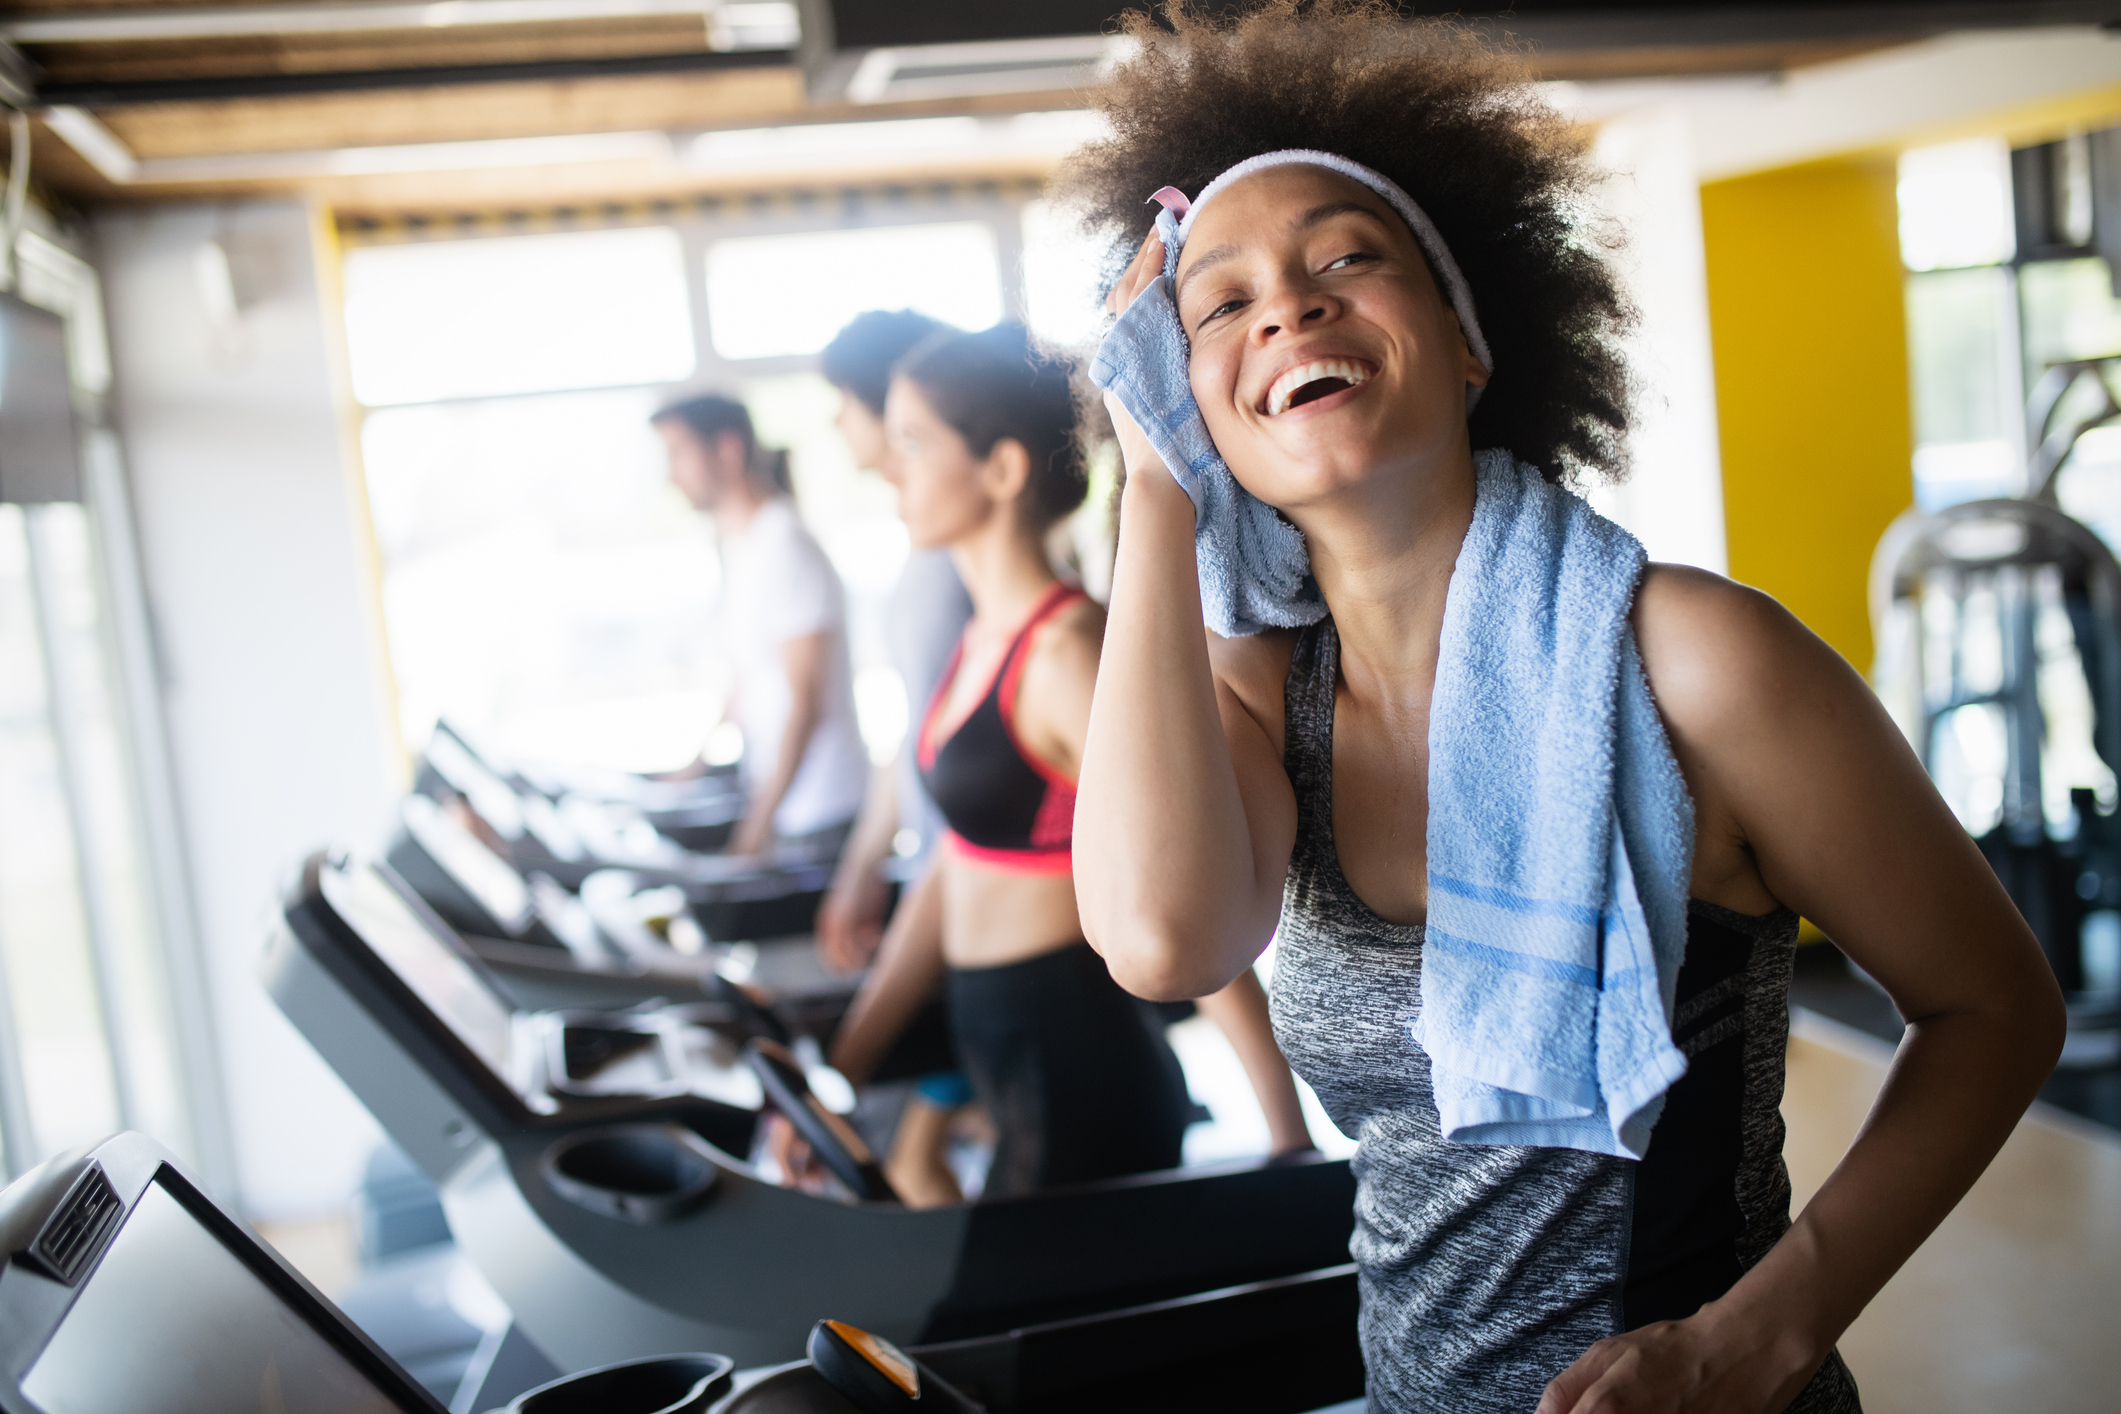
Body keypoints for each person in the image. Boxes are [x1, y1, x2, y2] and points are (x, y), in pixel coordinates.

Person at [1065, 5, 2065, 1414]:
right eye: (1218, 304)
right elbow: (1162, 940)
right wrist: (1154, 489)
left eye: (1348, 255)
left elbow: (1994, 1005)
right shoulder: (1256, 704)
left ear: (1471, 342)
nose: (1287, 303)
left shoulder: (1692, 660)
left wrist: (1759, 1333)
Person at [824, 322, 1313, 1206]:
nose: (885, 467)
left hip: (1077, 1069)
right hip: (999, 1045)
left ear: (1002, 471)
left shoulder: (1067, 655)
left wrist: (1288, 1137)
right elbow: (956, 865)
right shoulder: (983, 638)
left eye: (912, 443)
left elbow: (1185, 902)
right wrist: (846, 1062)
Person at [814, 310, 975, 971]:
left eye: (843, 403)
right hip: (939, 883)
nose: (834, 423)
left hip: (976, 892)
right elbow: (919, 730)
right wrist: (863, 868)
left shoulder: (957, 562)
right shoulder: (925, 554)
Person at [653, 394, 867, 856]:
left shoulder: (784, 544)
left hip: (822, 812)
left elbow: (805, 703)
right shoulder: (743, 546)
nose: (671, 474)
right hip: (787, 803)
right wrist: (693, 766)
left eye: (679, 454)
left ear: (727, 450)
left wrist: (758, 825)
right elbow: (748, 681)